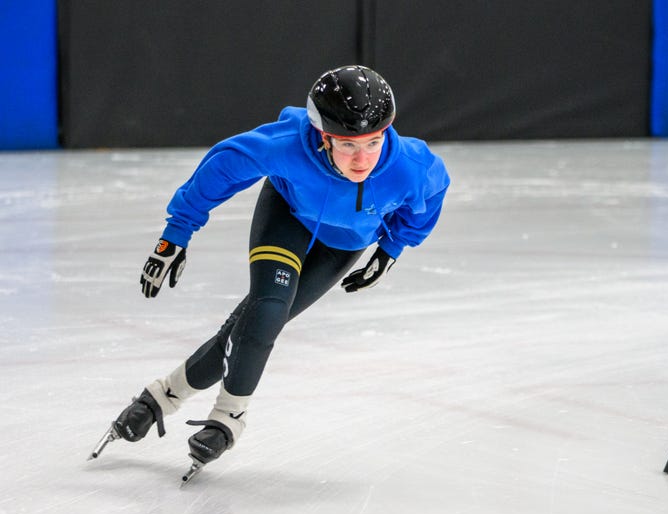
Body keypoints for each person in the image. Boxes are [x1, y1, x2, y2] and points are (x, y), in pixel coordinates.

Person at [89, 65, 451, 480]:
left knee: (251, 326)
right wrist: (177, 234)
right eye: (348, 145)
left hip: (344, 243)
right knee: (267, 310)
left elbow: (435, 190)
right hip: (287, 214)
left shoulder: (409, 165)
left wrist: (392, 247)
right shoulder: (288, 147)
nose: (363, 158)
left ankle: (160, 398)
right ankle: (229, 418)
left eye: (373, 142)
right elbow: (222, 167)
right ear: (322, 135)